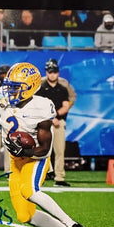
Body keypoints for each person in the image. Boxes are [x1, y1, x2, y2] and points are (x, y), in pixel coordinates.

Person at [0, 62, 87, 227]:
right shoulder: (2, 96)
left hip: (35, 158)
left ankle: (73, 225)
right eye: (9, 86)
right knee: (25, 216)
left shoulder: (41, 107)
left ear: (30, 87)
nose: (9, 91)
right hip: (15, 160)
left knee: (29, 191)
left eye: (15, 88)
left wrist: (24, 151)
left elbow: (45, 149)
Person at [36, 59, 72, 187]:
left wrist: (56, 116)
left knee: (60, 150)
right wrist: (51, 118)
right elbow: (38, 107)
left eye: (54, 72)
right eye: (50, 72)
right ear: (46, 72)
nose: (52, 75)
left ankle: (59, 177)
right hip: (44, 123)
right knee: (42, 151)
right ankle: (40, 176)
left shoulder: (62, 89)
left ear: (58, 73)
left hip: (58, 122)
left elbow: (66, 106)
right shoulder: (40, 88)